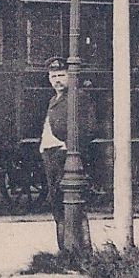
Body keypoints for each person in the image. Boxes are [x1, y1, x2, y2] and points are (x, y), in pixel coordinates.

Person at [38, 56, 94, 254]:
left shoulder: (78, 97)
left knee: (73, 205)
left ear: (71, 76)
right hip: (51, 156)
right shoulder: (54, 99)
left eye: (61, 75)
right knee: (57, 206)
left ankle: (82, 251)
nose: (57, 80)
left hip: (64, 156)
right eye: (53, 76)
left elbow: (87, 128)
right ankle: (66, 251)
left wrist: (69, 149)